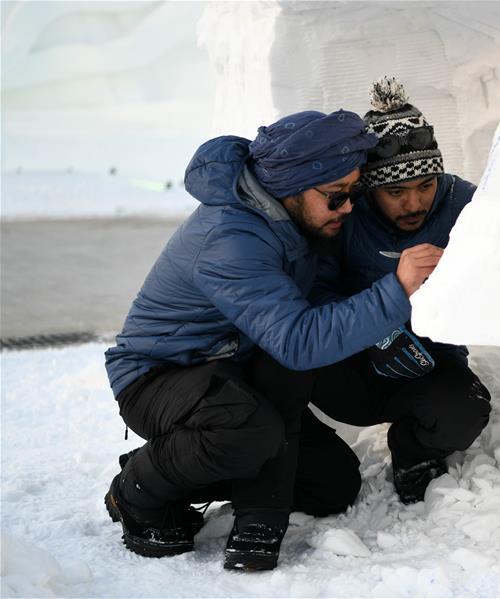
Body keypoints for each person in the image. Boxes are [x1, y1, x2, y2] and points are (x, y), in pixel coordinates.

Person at [103, 108, 443, 571]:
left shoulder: (293, 220)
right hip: (161, 376)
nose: (349, 208)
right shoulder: (233, 238)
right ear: (292, 188)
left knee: (332, 485)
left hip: (235, 373)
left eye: (355, 193)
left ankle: (187, 469)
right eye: (338, 197)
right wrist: (396, 289)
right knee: (250, 430)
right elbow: (298, 341)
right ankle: (137, 492)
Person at [308, 77, 491, 505]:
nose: (414, 204)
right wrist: (376, 327)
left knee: (465, 412)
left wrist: (462, 277)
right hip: (354, 355)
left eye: (425, 186)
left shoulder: (466, 205)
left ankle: (413, 452)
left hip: (430, 359)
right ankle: (306, 461)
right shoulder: (344, 215)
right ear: (370, 188)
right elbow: (312, 294)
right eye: (396, 192)